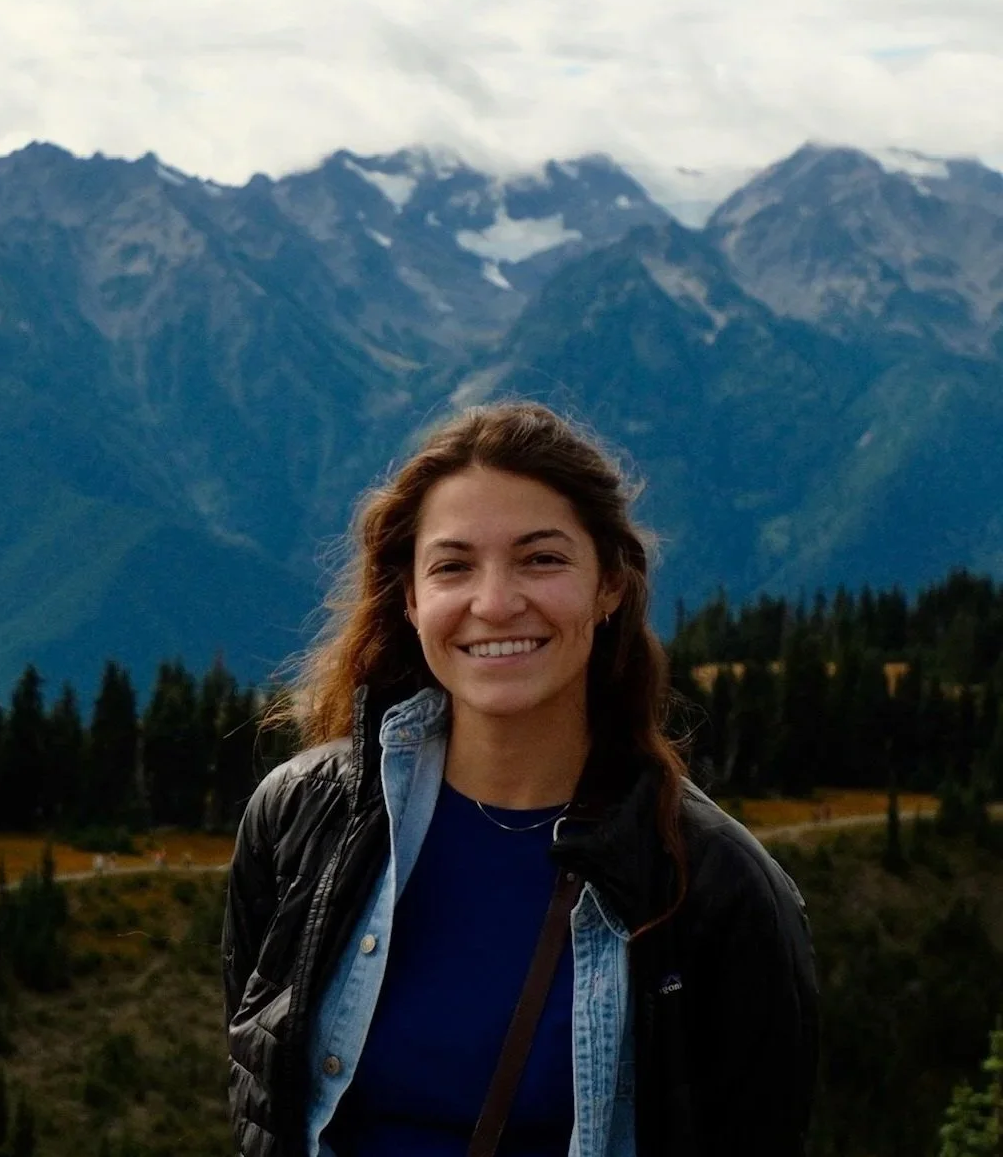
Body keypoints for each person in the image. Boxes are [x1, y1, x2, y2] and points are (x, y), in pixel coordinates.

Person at [222, 402, 818, 1157]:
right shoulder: (300, 818)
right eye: (453, 565)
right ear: (409, 598)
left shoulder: (715, 888)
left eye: (541, 558)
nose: (495, 602)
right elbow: (263, 1102)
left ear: (609, 584)